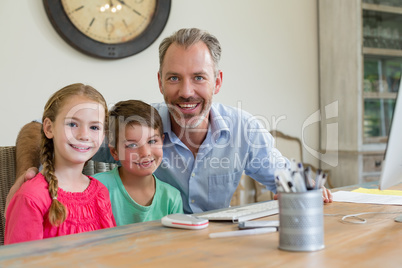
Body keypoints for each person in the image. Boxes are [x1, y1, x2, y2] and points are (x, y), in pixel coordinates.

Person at [7, 28, 332, 215]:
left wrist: (308, 187)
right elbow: (36, 128)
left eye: (199, 78)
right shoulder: (134, 126)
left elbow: (284, 174)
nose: (186, 92)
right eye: (174, 78)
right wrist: (27, 171)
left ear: (217, 82)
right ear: (160, 81)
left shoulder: (244, 128)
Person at [4, 83, 116, 244]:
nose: (84, 135)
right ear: (49, 128)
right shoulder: (31, 196)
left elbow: (112, 249)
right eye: (72, 124)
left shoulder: (100, 192)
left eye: (94, 127)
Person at [93, 100, 183, 226]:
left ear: (162, 141)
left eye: (152, 141)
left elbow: (177, 242)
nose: (145, 153)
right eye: (132, 145)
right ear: (114, 152)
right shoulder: (95, 188)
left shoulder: (171, 198)